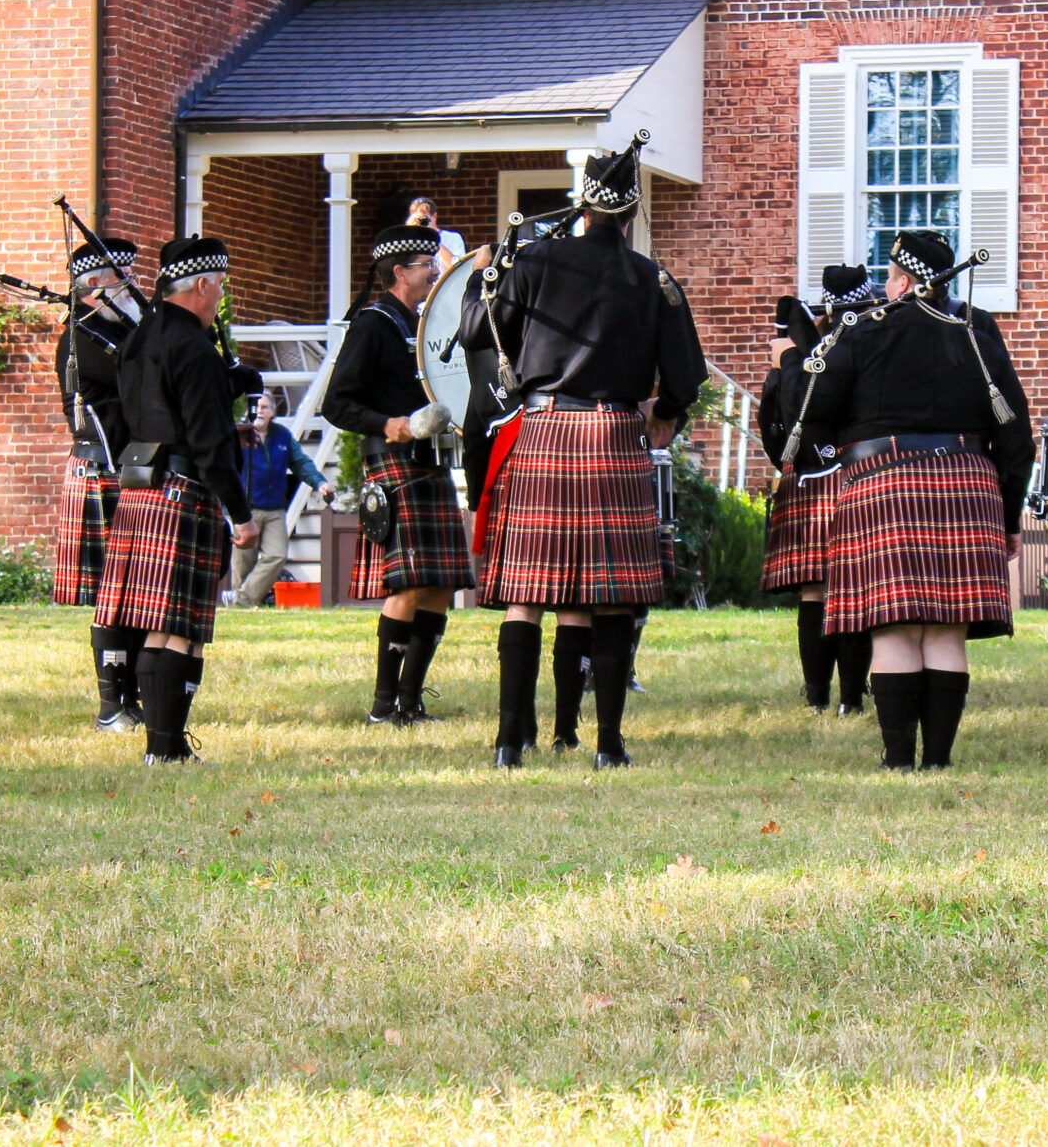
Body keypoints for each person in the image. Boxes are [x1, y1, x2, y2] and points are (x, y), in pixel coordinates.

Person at [463, 138, 706, 770]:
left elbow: (476, 334)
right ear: (631, 215)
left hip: (544, 433)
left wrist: (481, 279)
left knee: (526, 593)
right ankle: (608, 745)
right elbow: (686, 376)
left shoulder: (537, 259)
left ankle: (508, 743)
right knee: (610, 596)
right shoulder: (654, 280)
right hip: (616, 436)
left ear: (583, 205)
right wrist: (665, 413)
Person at [787, 230, 1033, 771]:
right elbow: (1016, 438)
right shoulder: (977, 333)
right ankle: (938, 759)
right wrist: (1009, 515)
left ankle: (898, 760)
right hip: (966, 483)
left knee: (895, 626)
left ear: (901, 279)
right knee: (946, 628)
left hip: (882, 482)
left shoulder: (862, 332)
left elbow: (813, 410)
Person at [96, 235, 259, 765]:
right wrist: (240, 514)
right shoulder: (195, 348)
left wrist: (226, 382)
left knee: (159, 626)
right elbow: (212, 444)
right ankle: (164, 749)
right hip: (185, 491)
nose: (220, 299)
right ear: (204, 284)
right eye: (220, 287)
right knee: (179, 630)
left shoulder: (139, 338)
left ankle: (164, 747)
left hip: (140, 488)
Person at [323, 226, 474, 726]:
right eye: (427, 265)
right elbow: (336, 403)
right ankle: (383, 705)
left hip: (429, 460)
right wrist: (388, 424)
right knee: (408, 585)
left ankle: (411, 701)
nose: (435, 272)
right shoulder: (373, 324)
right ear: (399, 273)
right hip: (392, 461)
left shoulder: (423, 323)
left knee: (439, 584)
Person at [761, 265, 879, 715]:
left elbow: (778, 417)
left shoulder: (809, 352)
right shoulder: (873, 347)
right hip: (862, 473)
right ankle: (851, 697)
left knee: (814, 591)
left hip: (810, 474)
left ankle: (816, 697)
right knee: (852, 590)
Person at [51, 236, 148, 732]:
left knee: (135, 591)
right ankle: (114, 706)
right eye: (119, 275)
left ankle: (136, 697)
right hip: (102, 469)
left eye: (130, 272)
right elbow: (139, 381)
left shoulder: (126, 328)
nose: (131, 282)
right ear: (92, 287)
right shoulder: (81, 339)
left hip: (130, 470)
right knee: (114, 592)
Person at [225, 390, 335, 607]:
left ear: (273, 411)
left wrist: (320, 483)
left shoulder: (282, 436)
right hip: (245, 508)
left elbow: (301, 463)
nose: (260, 411)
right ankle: (242, 609)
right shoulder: (237, 435)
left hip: (274, 509)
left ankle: (239, 601)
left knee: (276, 555)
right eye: (256, 406)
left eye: (265, 407)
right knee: (242, 562)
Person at [407, 196, 468, 276]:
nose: (420, 223)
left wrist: (432, 238)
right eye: (417, 220)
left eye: (423, 219)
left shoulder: (452, 237)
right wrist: (408, 233)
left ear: (435, 216)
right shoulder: (410, 241)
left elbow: (458, 269)